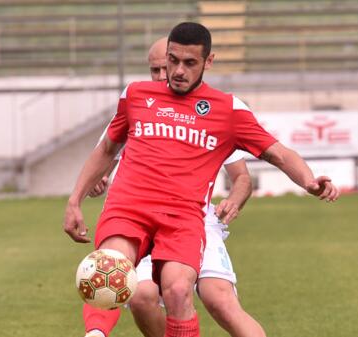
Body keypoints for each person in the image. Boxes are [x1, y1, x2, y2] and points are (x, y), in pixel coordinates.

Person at [64, 22, 339, 337]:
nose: (178, 71)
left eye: (190, 63)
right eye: (173, 60)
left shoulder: (228, 110)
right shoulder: (136, 95)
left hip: (183, 217)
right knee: (110, 267)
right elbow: (107, 148)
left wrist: (309, 181)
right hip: (129, 207)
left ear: (208, 62)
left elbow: (278, 153)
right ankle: (95, 333)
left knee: (179, 291)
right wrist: (75, 200)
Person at [83, 37, 266, 337]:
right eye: (155, 69)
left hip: (194, 219)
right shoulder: (138, 104)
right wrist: (95, 182)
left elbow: (241, 176)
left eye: (163, 68)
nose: (161, 76)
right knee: (141, 296)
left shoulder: (214, 110)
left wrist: (235, 198)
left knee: (219, 299)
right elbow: (105, 155)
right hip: (139, 217)